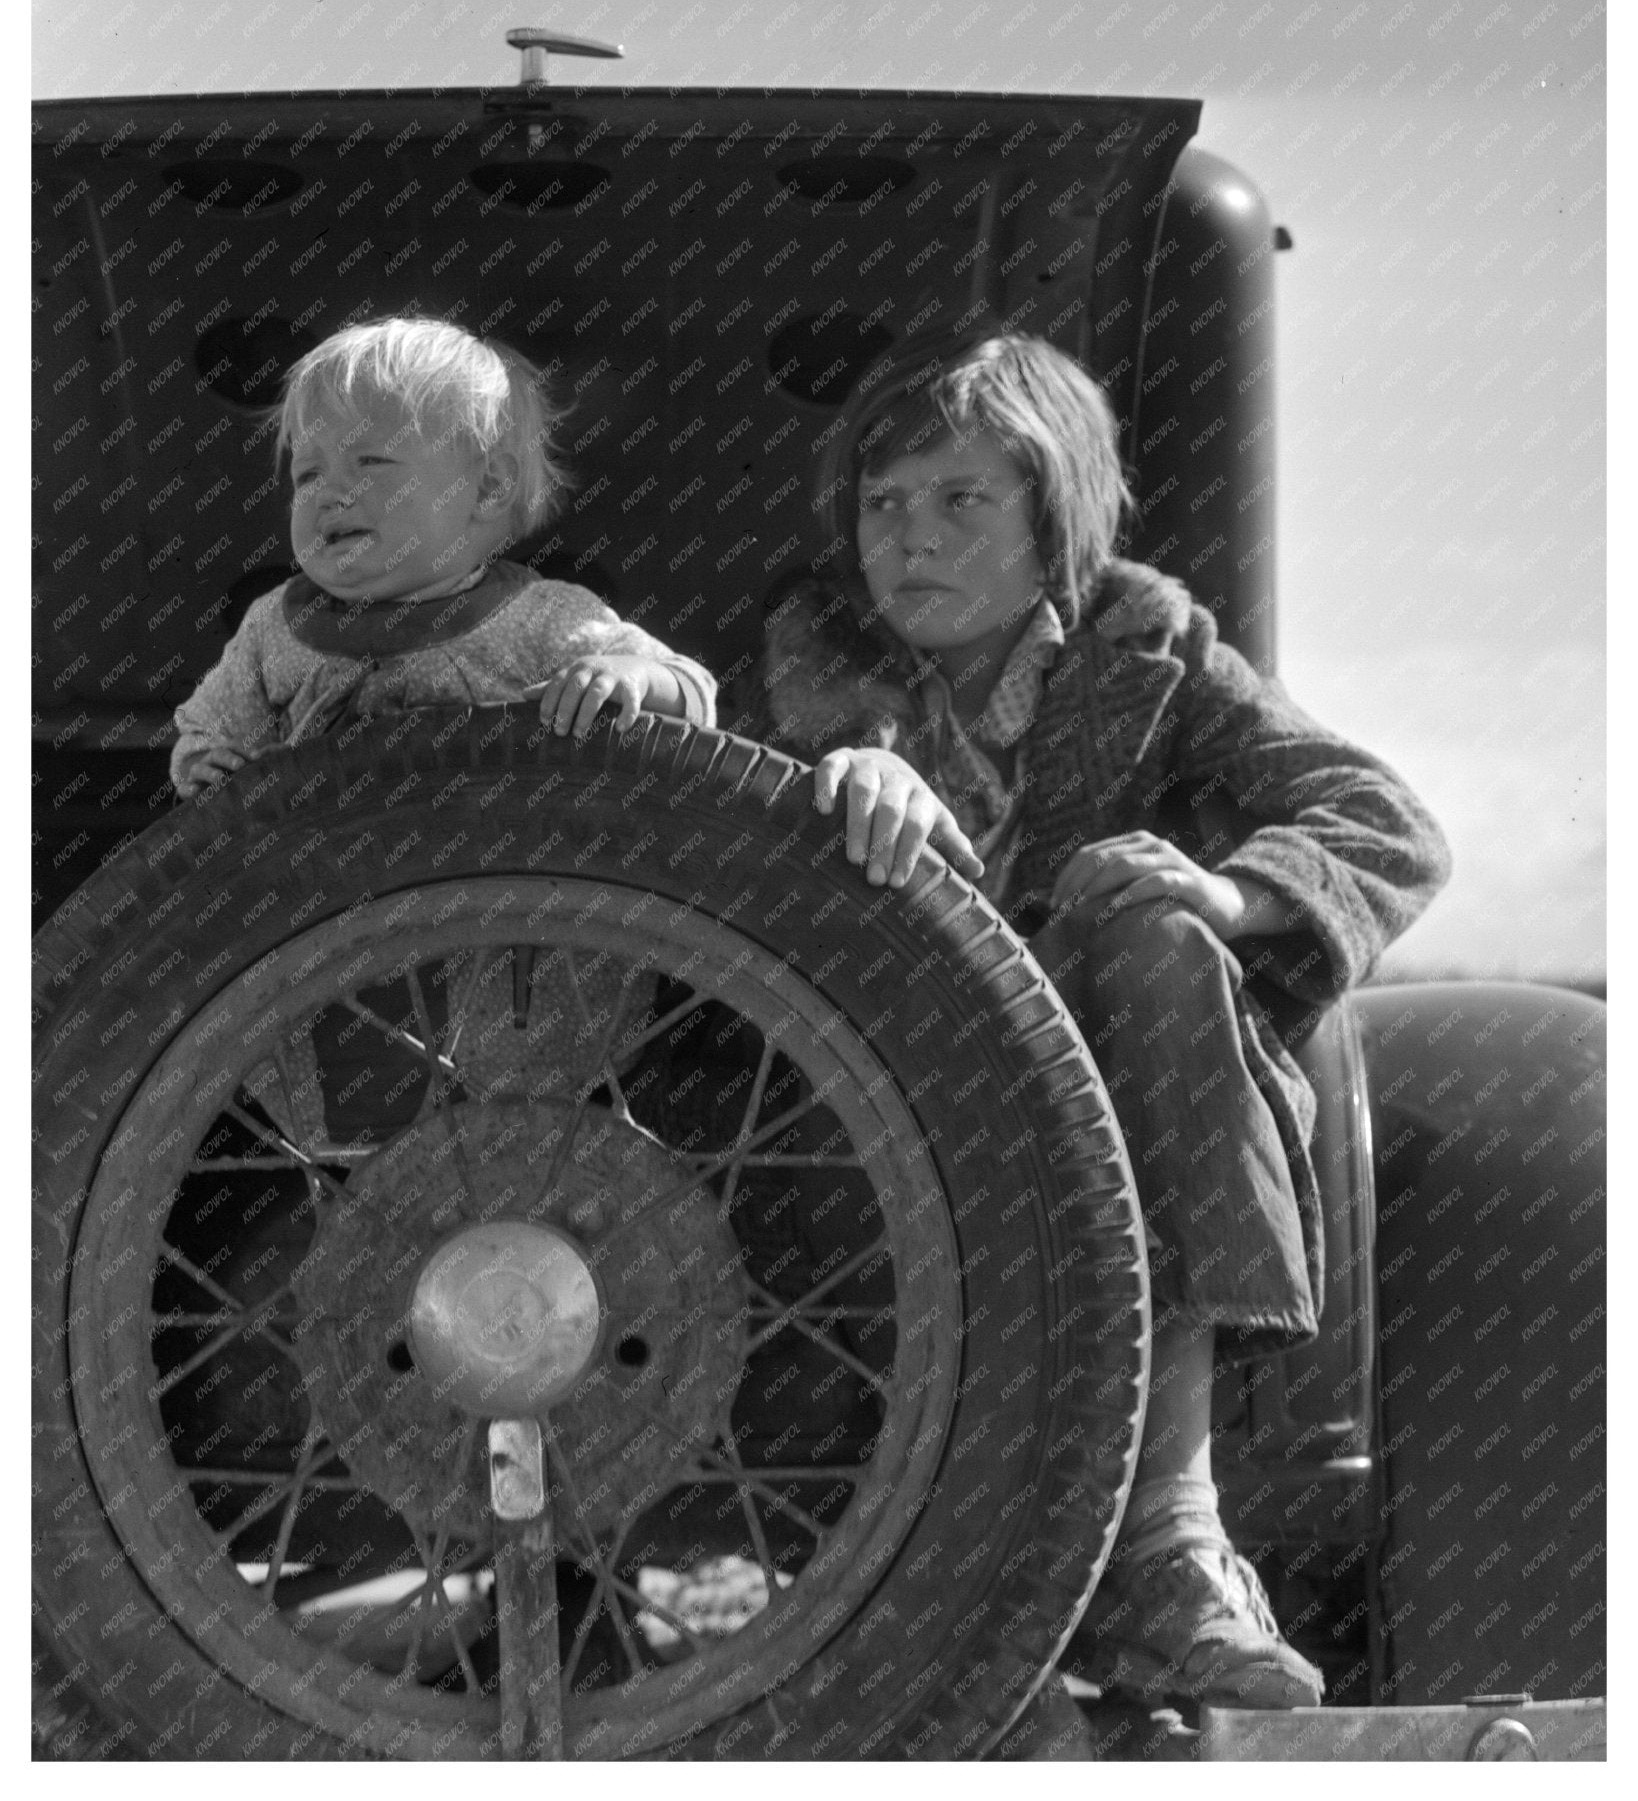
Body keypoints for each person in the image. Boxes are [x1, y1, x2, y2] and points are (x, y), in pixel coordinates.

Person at [749, 329, 1451, 1711]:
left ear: (1051, 518)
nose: (913, 539)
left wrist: (1232, 892)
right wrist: (841, 782)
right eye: (883, 506)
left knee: (1148, 929)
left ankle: (1172, 1552)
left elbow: (1387, 822)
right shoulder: (816, 669)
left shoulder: (1148, 646)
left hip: (1114, 1107)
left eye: (962, 501)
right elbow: (718, 822)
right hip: (883, 1118)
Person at [170, 316, 714, 796]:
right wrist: (204, 764)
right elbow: (210, 734)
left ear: (487, 488)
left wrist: (629, 675)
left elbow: (693, 694)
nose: (330, 493)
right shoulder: (275, 628)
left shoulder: (541, 617)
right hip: (328, 886)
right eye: (308, 473)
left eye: (371, 461)